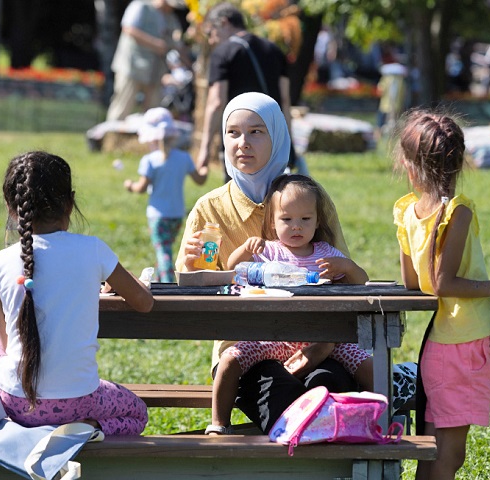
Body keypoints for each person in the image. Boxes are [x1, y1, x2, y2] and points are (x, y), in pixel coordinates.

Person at [175, 91, 356, 434]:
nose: (243, 143)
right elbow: (200, 285)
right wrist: (190, 269)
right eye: (233, 133)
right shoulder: (211, 210)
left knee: (334, 391)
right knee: (286, 406)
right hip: (245, 349)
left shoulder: (309, 198)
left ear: (278, 136)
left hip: (317, 341)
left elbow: (342, 276)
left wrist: (323, 347)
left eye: (257, 131)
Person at [0, 151, 155, 436]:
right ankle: (89, 429)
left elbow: (6, 345)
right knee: (137, 413)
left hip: (14, 402)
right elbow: (144, 303)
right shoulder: (93, 250)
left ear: (10, 206)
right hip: (80, 403)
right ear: (70, 202)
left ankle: (11, 422)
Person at [392, 110, 490, 479]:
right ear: (459, 163)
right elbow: (444, 283)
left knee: (434, 450)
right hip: (463, 345)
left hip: (439, 347)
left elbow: (414, 282)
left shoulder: (407, 210)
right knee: (450, 455)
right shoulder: (459, 211)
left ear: (410, 167)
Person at [205, 174, 371, 434]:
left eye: (305, 219)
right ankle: (218, 423)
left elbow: (362, 282)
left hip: (322, 339)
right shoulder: (269, 252)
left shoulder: (325, 253)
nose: (296, 227)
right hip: (273, 338)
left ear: (317, 222)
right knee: (229, 360)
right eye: (286, 219)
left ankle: (375, 418)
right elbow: (234, 268)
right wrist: (246, 250)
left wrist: (347, 267)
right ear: (272, 223)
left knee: (368, 365)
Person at [197, 2, 308, 178]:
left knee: (239, 198)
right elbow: (285, 101)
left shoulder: (222, 53)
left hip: (242, 140)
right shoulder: (274, 50)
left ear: (224, 22)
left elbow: (216, 102)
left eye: (210, 33)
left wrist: (205, 149)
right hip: (271, 137)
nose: (211, 40)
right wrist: (287, 141)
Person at [124, 107, 207, 283]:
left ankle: (169, 285)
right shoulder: (184, 158)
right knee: (165, 250)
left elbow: (140, 188)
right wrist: (204, 168)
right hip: (177, 216)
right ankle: (159, 281)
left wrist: (130, 185)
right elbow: (200, 180)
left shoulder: (150, 160)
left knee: (164, 253)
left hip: (158, 217)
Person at [106, 0, 185, 121]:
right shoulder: (141, 6)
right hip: (131, 67)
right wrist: (155, 44)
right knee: (122, 107)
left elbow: (177, 43)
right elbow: (128, 29)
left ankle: (146, 138)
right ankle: (111, 138)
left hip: (155, 71)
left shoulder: (170, 17)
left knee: (153, 112)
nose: (171, 8)